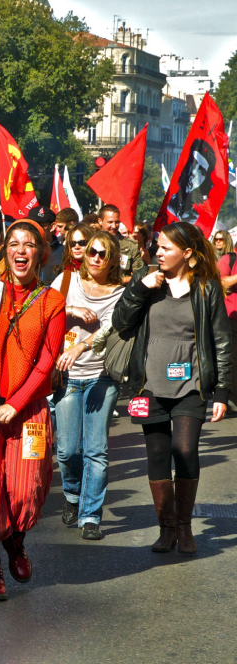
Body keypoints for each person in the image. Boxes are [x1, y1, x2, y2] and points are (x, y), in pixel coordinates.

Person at [111, 222, 231, 557]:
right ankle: (166, 529)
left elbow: (221, 341)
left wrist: (222, 391)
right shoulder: (147, 280)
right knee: (158, 455)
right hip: (149, 386)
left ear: (187, 253)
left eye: (165, 248)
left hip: (191, 386)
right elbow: (121, 323)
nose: (157, 252)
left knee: (186, 450)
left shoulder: (206, 288)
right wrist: (139, 289)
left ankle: (184, 526)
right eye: (157, 247)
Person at [0, 219, 65, 601]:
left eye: (28, 244)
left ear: (40, 253)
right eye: (13, 243)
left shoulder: (52, 300)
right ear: (5, 250)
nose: (20, 250)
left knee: (26, 492)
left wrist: (16, 404)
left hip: (28, 412)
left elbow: (48, 358)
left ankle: (17, 543)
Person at [51, 232, 126, 540]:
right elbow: (43, 309)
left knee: (96, 451)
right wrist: (71, 311)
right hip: (67, 378)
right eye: (91, 250)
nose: (94, 257)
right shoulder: (66, 282)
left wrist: (80, 347)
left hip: (102, 377)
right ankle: (71, 494)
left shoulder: (120, 293)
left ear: (112, 260)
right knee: (68, 451)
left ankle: (91, 516)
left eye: (102, 253)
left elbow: (109, 331)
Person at [216, 233, 237, 409]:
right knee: (232, 359)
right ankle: (229, 399)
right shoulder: (228, 259)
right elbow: (221, 284)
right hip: (231, 317)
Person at [98, 204, 143, 280]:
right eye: (110, 222)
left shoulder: (130, 245)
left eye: (117, 222)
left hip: (122, 289)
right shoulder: (91, 243)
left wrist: (122, 280)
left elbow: (139, 274)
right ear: (100, 221)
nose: (114, 226)